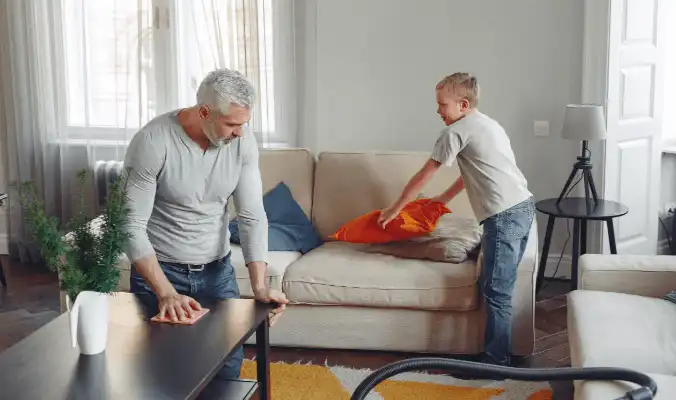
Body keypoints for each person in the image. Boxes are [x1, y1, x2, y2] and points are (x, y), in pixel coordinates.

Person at [122, 68, 288, 381]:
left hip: (218, 273)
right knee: (162, 376)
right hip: (160, 274)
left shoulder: (242, 141)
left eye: (244, 123)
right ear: (204, 112)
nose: (240, 132)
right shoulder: (153, 142)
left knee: (226, 372)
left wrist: (260, 286)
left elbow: (251, 213)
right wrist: (165, 292)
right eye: (232, 124)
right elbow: (130, 224)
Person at [378, 72, 534, 366]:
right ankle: (495, 354)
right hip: (523, 206)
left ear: (463, 104)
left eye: (442, 105)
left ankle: (495, 364)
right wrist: (443, 200)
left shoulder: (455, 132)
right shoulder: (488, 125)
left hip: (503, 216)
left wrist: (396, 208)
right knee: (497, 285)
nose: (438, 111)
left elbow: (425, 174)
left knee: (497, 292)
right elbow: (473, 171)